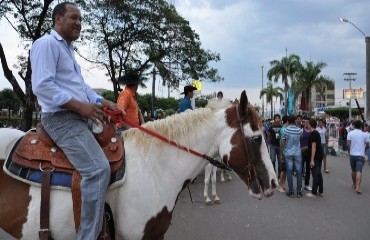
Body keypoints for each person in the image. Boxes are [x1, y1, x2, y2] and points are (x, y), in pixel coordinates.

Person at [30, 2, 125, 239]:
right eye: (73, 18)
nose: (79, 24)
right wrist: (80, 107)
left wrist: (105, 103)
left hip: (77, 116)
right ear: (58, 19)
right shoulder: (46, 44)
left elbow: (81, 87)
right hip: (61, 119)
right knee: (98, 169)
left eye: (80, 20)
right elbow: (42, 86)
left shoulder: (68, 51)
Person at [281, 115, 303, 198]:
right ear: (294, 120)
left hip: (288, 153)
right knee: (299, 172)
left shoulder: (285, 130)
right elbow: (300, 139)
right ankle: (299, 192)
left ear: (288, 121)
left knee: (289, 172)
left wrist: (282, 153)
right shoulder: (299, 130)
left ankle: (291, 192)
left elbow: (283, 143)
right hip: (297, 153)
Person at [346, 120, 369, 194]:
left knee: (353, 170)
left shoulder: (350, 133)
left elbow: (348, 144)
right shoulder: (364, 134)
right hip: (360, 155)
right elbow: (368, 145)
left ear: (354, 125)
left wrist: (349, 152)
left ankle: (354, 184)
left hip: (352, 154)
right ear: (361, 126)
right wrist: (363, 149)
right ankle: (358, 187)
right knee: (359, 171)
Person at [306, 119, 324, 198]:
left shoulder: (313, 133)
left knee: (315, 174)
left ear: (310, 124)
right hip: (319, 155)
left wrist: (312, 159)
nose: (307, 125)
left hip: (315, 156)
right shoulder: (316, 132)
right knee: (318, 173)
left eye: (308, 123)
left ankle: (313, 192)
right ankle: (321, 191)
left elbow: (314, 147)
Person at [278, 115, 288, 192]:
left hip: (286, 151)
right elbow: (282, 142)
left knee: (285, 170)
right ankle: (280, 185)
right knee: (283, 170)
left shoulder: (284, 129)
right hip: (284, 151)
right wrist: (281, 153)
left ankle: (283, 184)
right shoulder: (284, 129)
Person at [301, 117, 312, 191]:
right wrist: (301, 148)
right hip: (302, 152)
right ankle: (300, 185)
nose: (306, 123)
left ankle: (307, 184)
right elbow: (299, 141)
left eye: (308, 122)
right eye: (305, 122)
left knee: (308, 169)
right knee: (300, 169)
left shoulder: (312, 131)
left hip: (309, 152)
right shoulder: (301, 131)